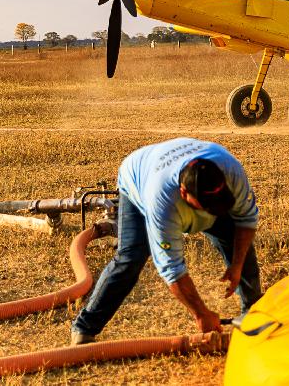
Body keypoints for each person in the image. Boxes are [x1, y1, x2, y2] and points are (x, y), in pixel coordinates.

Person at [70, 137, 261, 345]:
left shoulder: (232, 172)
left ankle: (254, 314)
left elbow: (246, 220)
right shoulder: (161, 202)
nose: (213, 210)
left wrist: (237, 265)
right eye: (207, 206)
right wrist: (201, 313)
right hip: (139, 176)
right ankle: (84, 328)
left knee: (234, 236)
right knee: (131, 257)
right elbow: (172, 269)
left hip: (168, 166)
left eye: (219, 203)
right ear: (184, 193)